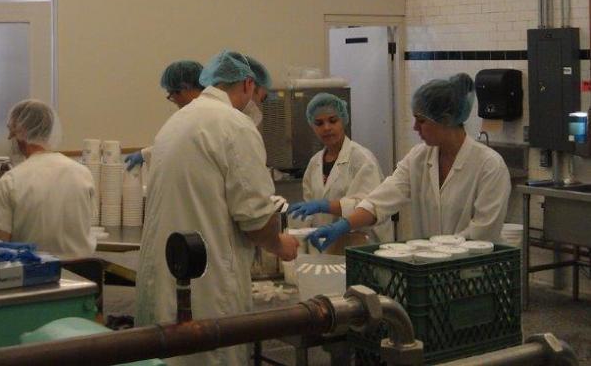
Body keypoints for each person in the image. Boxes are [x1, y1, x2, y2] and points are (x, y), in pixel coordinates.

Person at [135, 50, 298, 366]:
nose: (259, 108)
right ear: (248, 85)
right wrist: (280, 244)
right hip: (207, 289)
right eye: (261, 98)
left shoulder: (178, 121)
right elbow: (256, 219)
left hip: (170, 277)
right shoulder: (234, 125)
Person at [306, 73, 511, 252]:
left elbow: (483, 231)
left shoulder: (489, 166)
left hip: (474, 272)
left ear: (446, 119)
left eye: (421, 121)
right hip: (429, 269)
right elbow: (381, 200)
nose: (415, 127)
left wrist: (432, 251)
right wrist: (344, 225)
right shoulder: (419, 158)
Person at [0, 99, 96, 259]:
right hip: (83, 277)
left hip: (34, 278)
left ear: (18, 134)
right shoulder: (82, 173)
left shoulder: (10, 182)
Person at [287, 93, 392, 249]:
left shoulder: (362, 159)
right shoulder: (314, 163)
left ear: (343, 120)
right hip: (327, 247)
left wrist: (326, 205)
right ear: (312, 126)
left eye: (333, 120)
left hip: (363, 246)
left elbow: (370, 207)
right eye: (319, 123)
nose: (327, 127)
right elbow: (310, 211)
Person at [123, 60, 204, 170]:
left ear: (185, 88)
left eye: (171, 93)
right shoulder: (193, 114)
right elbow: (177, 145)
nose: (173, 100)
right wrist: (145, 154)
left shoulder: (204, 116)